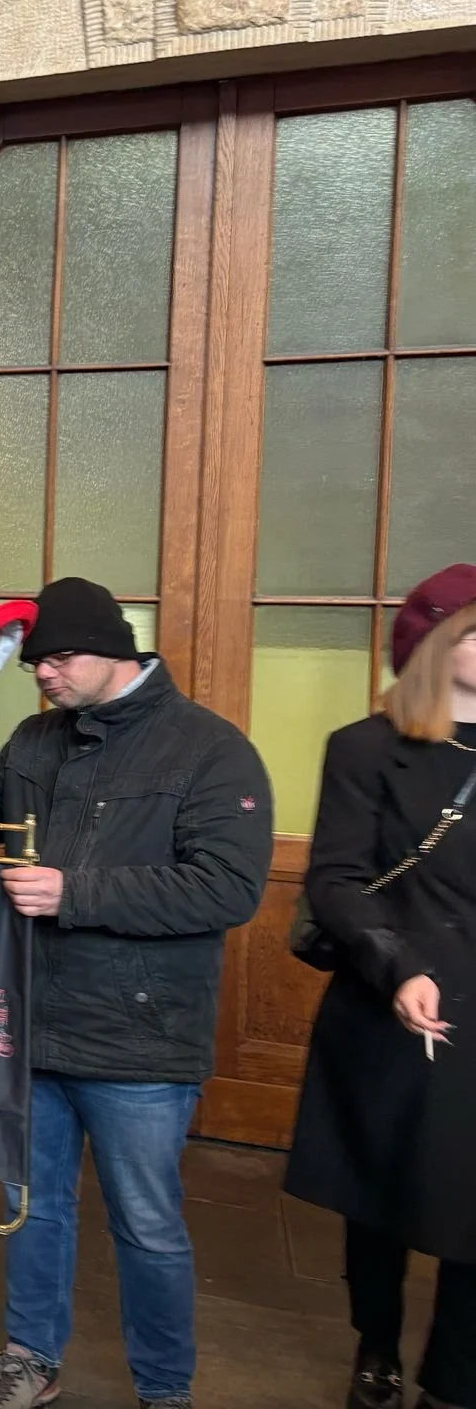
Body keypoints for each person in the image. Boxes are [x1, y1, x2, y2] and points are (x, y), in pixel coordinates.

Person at [0, 577, 273, 1409]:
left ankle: (164, 1388)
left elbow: (228, 888)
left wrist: (73, 893)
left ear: (114, 652)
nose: (42, 673)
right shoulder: (36, 740)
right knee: (32, 1208)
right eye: (37, 660)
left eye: (59, 658)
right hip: (34, 1020)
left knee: (148, 1229)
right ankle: (30, 1355)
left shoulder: (210, 748)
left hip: (142, 1040)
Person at [285, 563, 476, 1409]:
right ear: (436, 647)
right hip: (394, 996)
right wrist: (400, 965)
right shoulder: (366, 747)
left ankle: (456, 1374)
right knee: (385, 1194)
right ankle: (378, 1344)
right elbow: (333, 880)